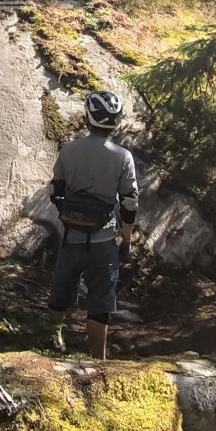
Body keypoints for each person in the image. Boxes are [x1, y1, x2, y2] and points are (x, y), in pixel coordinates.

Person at [46, 89, 138, 361]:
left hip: (72, 237)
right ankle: (99, 360)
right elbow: (130, 203)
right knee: (101, 302)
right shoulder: (123, 157)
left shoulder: (70, 149)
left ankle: (53, 339)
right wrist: (127, 240)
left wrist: (70, 216)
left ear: (88, 118)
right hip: (105, 240)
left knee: (61, 288)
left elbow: (56, 192)